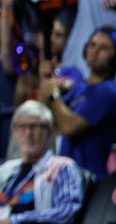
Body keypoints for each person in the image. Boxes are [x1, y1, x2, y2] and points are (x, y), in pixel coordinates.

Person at [41, 27, 116, 179]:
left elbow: (69, 127)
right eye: (92, 45)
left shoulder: (107, 91)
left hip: (90, 177)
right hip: (67, 175)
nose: (94, 52)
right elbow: (47, 120)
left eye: (103, 48)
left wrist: (53, 96)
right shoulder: (79, 88)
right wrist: (45, 83)